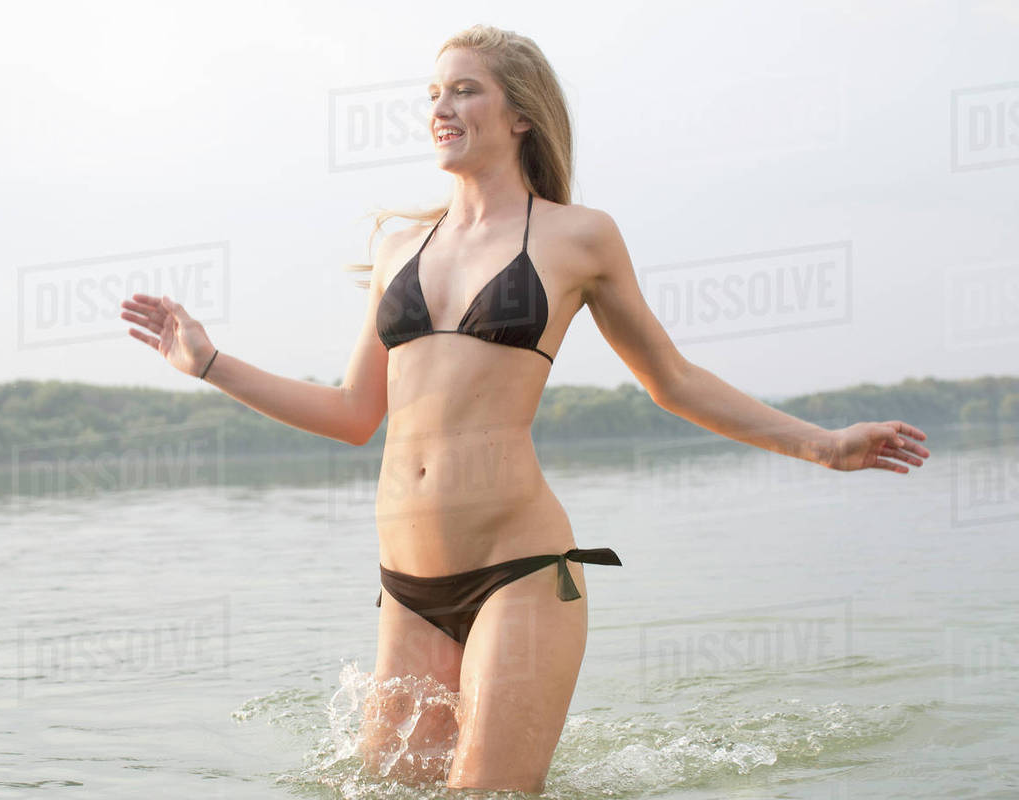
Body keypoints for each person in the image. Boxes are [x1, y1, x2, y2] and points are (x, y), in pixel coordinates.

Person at [119, 24, 931, 795]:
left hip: (520, 568)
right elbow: (351, 413)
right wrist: (210, 364)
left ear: (519, 116)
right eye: (433, 93)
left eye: (464, 91)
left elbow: (672, 381)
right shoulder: (400, 245)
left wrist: (823, 445)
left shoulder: (578, 237)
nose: (440, 108)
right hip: (408, 587)